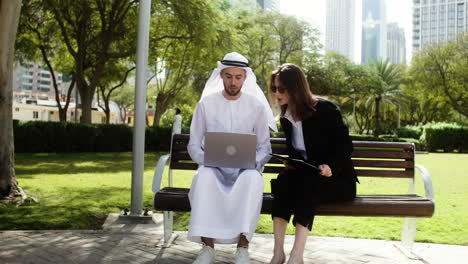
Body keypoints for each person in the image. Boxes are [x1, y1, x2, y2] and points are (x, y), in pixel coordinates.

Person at [187, 52, 277, 264]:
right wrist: (206, 159)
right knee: (203, 177)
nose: (233, 82)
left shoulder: (256, 107)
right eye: (229, 76)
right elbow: (193, 143)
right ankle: (207, 248)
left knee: (253, 179)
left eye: (238, 77)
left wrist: (254, 163)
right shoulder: (206, 104)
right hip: (213, 167)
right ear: (221, 76)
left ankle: (243, 248)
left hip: (245, 169)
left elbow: (265, 147)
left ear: (245, 78)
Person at [268, 63, 358, 264]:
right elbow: (297, 152)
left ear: (295, 88)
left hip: (338, 181)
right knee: (283, 182)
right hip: (308, 178)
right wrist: (291, 164)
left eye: (281, 89)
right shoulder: (286, 117)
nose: (277, 93)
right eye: (274, 88)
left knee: (307, 185)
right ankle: (278, 254)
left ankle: (296, 257)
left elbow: (345, 146)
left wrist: (331, 167)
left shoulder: (325, 109)